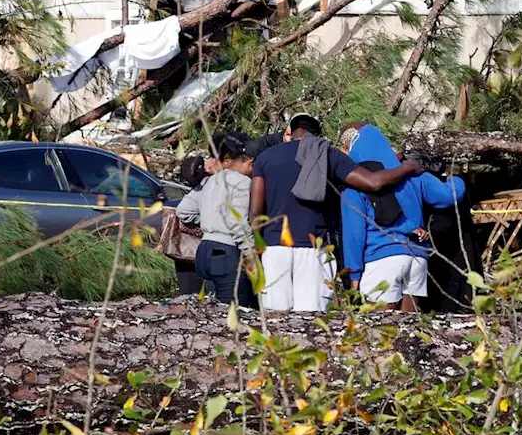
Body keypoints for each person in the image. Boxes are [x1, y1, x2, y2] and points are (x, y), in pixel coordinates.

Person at [249, 113, 424, 312]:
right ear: (317, 133)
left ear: (290, 131)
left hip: (275, 248)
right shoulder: (327, 154)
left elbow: (255, 213)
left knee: (275, 317)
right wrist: (407, 168)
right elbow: (373, 182)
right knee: (311, 320)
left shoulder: (265, 158)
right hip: (314, 247)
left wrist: (259, 249)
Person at [340, 124, 466, 311]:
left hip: (381, 258)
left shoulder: (355, 187)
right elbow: (449, 195)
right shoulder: (412, 175)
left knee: (380, 331)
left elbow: (354, 235)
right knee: (409, 332)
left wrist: (354, 275)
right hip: (416, 258)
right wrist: (455, 179)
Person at [175, 133, 257, 307]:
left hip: (204, 251)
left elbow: (183, 211)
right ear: (247, 160)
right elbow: (238, 223)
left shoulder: (210, 181)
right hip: (226, 253)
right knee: (234, 312)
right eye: (252, 165)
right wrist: (251, 255)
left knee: (212, 313)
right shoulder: (242, 183)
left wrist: (208, 218)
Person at [167, 154, 212, 295]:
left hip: (186, 252)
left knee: (189, 293)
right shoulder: (210, 186)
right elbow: (183, 211)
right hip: (204, 250)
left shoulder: (199, 189)